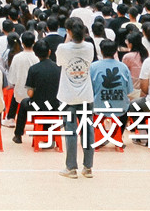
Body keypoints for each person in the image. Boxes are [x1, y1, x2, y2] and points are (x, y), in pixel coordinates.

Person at [54, 18, 96, 179]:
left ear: (69, 32)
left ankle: (71, 168)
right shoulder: (90, 47)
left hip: (68, 96)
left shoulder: (62, 48)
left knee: (70, 132)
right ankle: (88, 167)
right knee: (88, 131)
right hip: (86, 95)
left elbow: (59, 63)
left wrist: (68, 38)